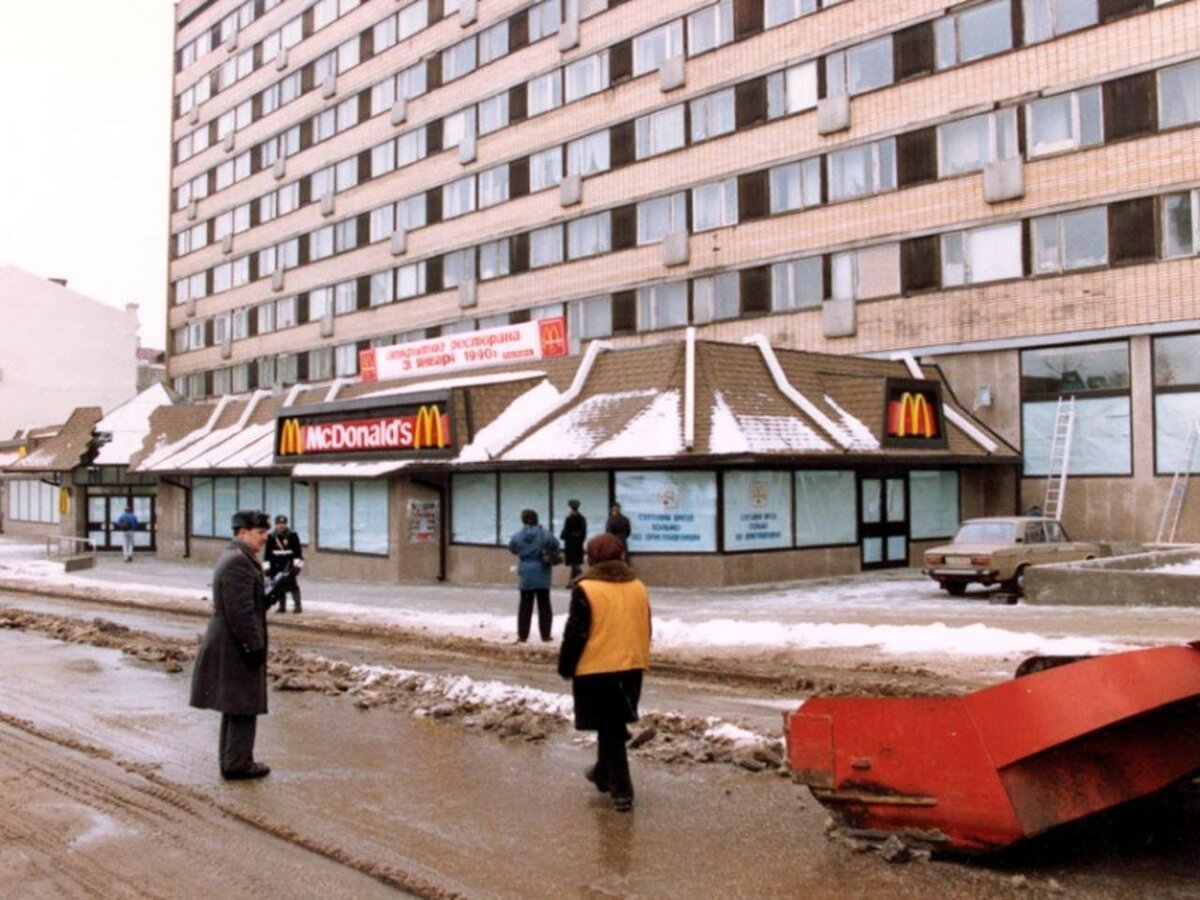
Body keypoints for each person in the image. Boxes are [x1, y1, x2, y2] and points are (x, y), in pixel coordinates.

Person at [558, 533, 651, 812]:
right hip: (631, 666)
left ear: (593, 557)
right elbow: (646, 625)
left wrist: (566, 665)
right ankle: (602, 773)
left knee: (610, 728)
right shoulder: (638, 586)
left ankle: (622, 791)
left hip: (597, 667)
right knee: (611, 725)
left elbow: (576, 633)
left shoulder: (586, 588)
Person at [190, 509, 273, 780]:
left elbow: (248, 602)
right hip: (235, 644)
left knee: (235, 704)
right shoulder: (239, 562)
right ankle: (238, 764)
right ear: (242, 532)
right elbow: (241, 612)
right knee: (243, 704)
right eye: (260, 532)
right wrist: (254, 646)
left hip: (230, 642)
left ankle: (233, 760)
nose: (264, 537)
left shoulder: (237, 557)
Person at [507, 508, 561, 643]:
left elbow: (512, 548)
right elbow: (556, 544)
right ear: (536, 519)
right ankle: (545, 635)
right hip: (542, 571)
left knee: (525, 606)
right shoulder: (544, 534)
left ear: (523, 520)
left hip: (526, 573)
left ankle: (523, 635)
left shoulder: (518, 535)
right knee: (544, 605)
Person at [264, 514, 304, 613]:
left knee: (292, 585)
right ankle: (282, 606)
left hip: (288, 564)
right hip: (276, 564)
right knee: (278, 586)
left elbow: (297, 551)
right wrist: (266, 567)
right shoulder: (271, 536)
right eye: (279, 524)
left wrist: (297, 566)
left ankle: (298, 606)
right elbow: (267, 553)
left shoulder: (292, 535)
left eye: (283, 523)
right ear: (276, 524)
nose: (281, 526)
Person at [559, 499, 588, 583]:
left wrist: (563, 535)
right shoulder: (582, 518)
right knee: (575, 564)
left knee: (574, 564)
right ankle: (573, 581)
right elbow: (584, 533)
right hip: (578, 544)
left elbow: (565, 532)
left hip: (570, 544)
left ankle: (579, 579)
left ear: (570, 507)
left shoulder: (569, 518)